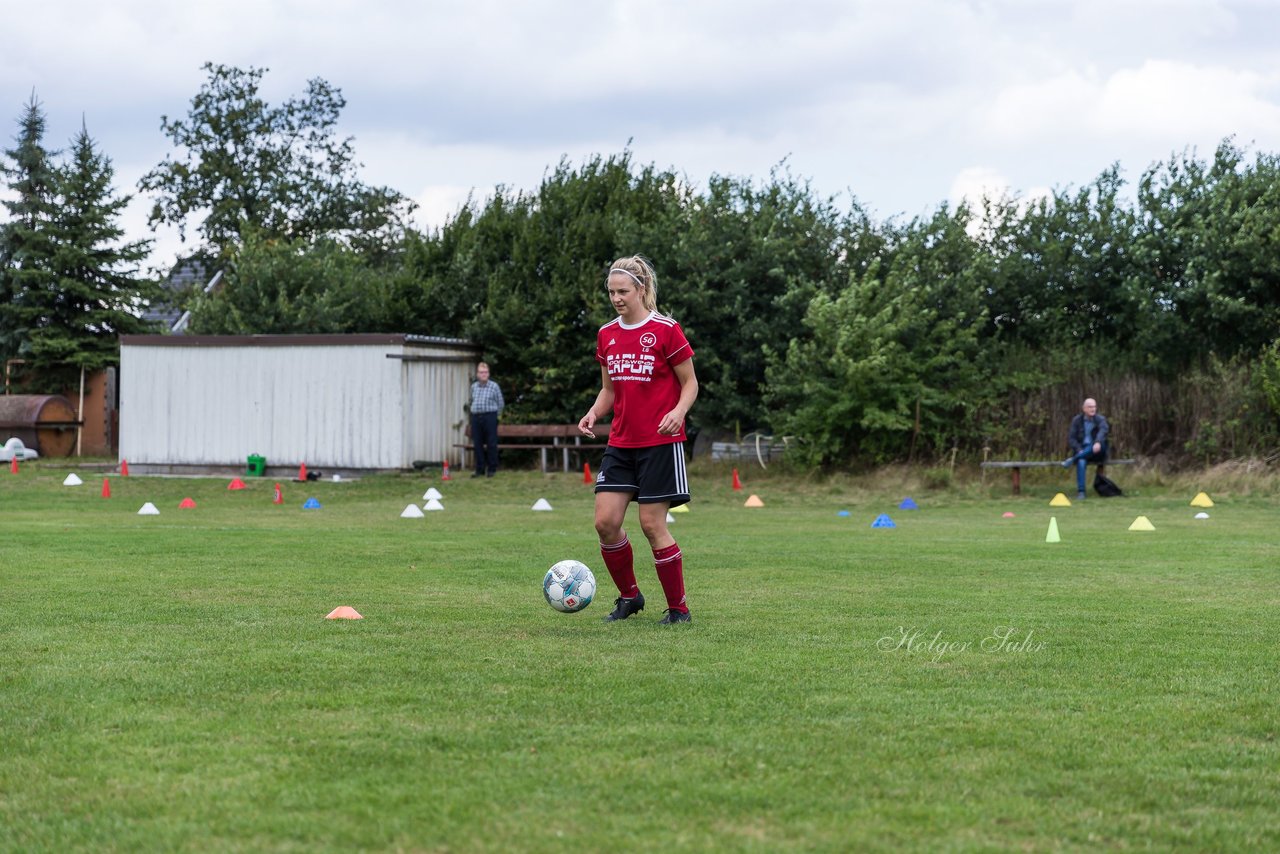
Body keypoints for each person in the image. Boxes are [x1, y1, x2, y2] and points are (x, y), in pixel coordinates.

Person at [578, 255, 698, 625]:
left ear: (641, 290)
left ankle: (679, 609)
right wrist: (594, 413)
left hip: (661, 444)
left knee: (651, 524)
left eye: (623, 291)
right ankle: (630, 597)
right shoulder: (606, 334)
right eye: (612, 291)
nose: (616, 298)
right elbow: (608, 390)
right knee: (605, 522)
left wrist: (678, 412)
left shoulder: (666, 330)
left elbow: (690, 383)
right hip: (621, 442)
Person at [1062, 397, 1110, 499]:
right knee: (1081, 461)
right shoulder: (1076, 420)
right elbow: (1072, 439)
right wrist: (1079, 449)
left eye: (1094, 407)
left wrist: (1097, 441)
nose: (1093, 409)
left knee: (1096, 447)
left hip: (1098, 450)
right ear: (1084, 408)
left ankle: (1073, 459)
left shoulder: (1100, 419)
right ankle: (1081, 492)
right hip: (1083, 450)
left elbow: (1103, 431)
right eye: (1090, 407)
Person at [468, 361, 504, 477]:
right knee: (477, 444)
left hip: (490, 416)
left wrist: (496, 417)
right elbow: (471, 401)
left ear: (488, 374)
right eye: (481, 372)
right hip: (476, 417)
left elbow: (500, 403)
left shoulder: (494, 386)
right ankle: (479, 469)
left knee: (491, 443)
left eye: (485, 372)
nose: (483, 374)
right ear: (477, 374)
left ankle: (492, 469)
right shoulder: (473, 387)